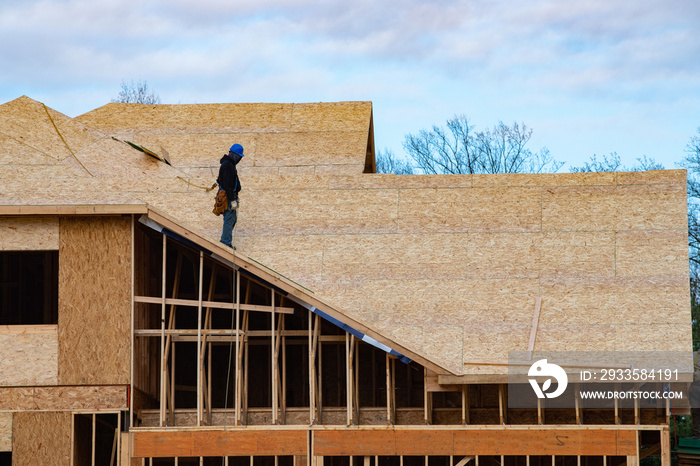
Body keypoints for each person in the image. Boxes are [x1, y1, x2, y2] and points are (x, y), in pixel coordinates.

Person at [217, 143, 244, 248]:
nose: (239, 159)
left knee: (232, 219)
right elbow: (228, 185)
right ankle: (225, 243)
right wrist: (232, 200)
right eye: (239, 157)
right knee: (229, 219)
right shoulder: (228, 166)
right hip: (228, 196)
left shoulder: (229, 164)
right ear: (234, 155)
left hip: (230, 195)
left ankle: (226, 239)